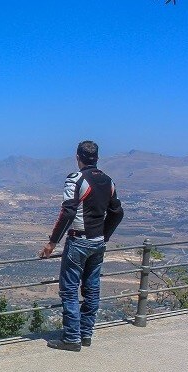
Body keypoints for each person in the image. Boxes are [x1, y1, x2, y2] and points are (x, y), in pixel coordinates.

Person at [39, 141, 124, 351]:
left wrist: (52, 243)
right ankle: (86, 334)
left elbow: (67, 212)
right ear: (97, 157)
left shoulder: (76, 179)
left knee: (69, 290)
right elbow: (117, 212)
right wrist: (104, 235)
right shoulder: (108, 181)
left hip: (79, 241)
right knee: (92, 289)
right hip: (97, 243)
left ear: (78, 157)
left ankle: (71, 338)